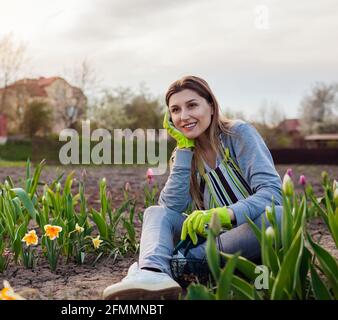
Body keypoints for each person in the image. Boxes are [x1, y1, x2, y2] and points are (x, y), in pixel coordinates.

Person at [102, 75, 283, 300]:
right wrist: (184, 149)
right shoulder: (183, 154)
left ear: (211, 105)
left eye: (192, 105)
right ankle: (153, 274)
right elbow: (171, 208)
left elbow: (272, 193)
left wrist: (227, 214)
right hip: (211, 240)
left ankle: (180, 266)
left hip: (246, 239)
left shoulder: (238, 134)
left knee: (278, 216)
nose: (183, 116)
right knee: (155, 213)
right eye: (175, 110)